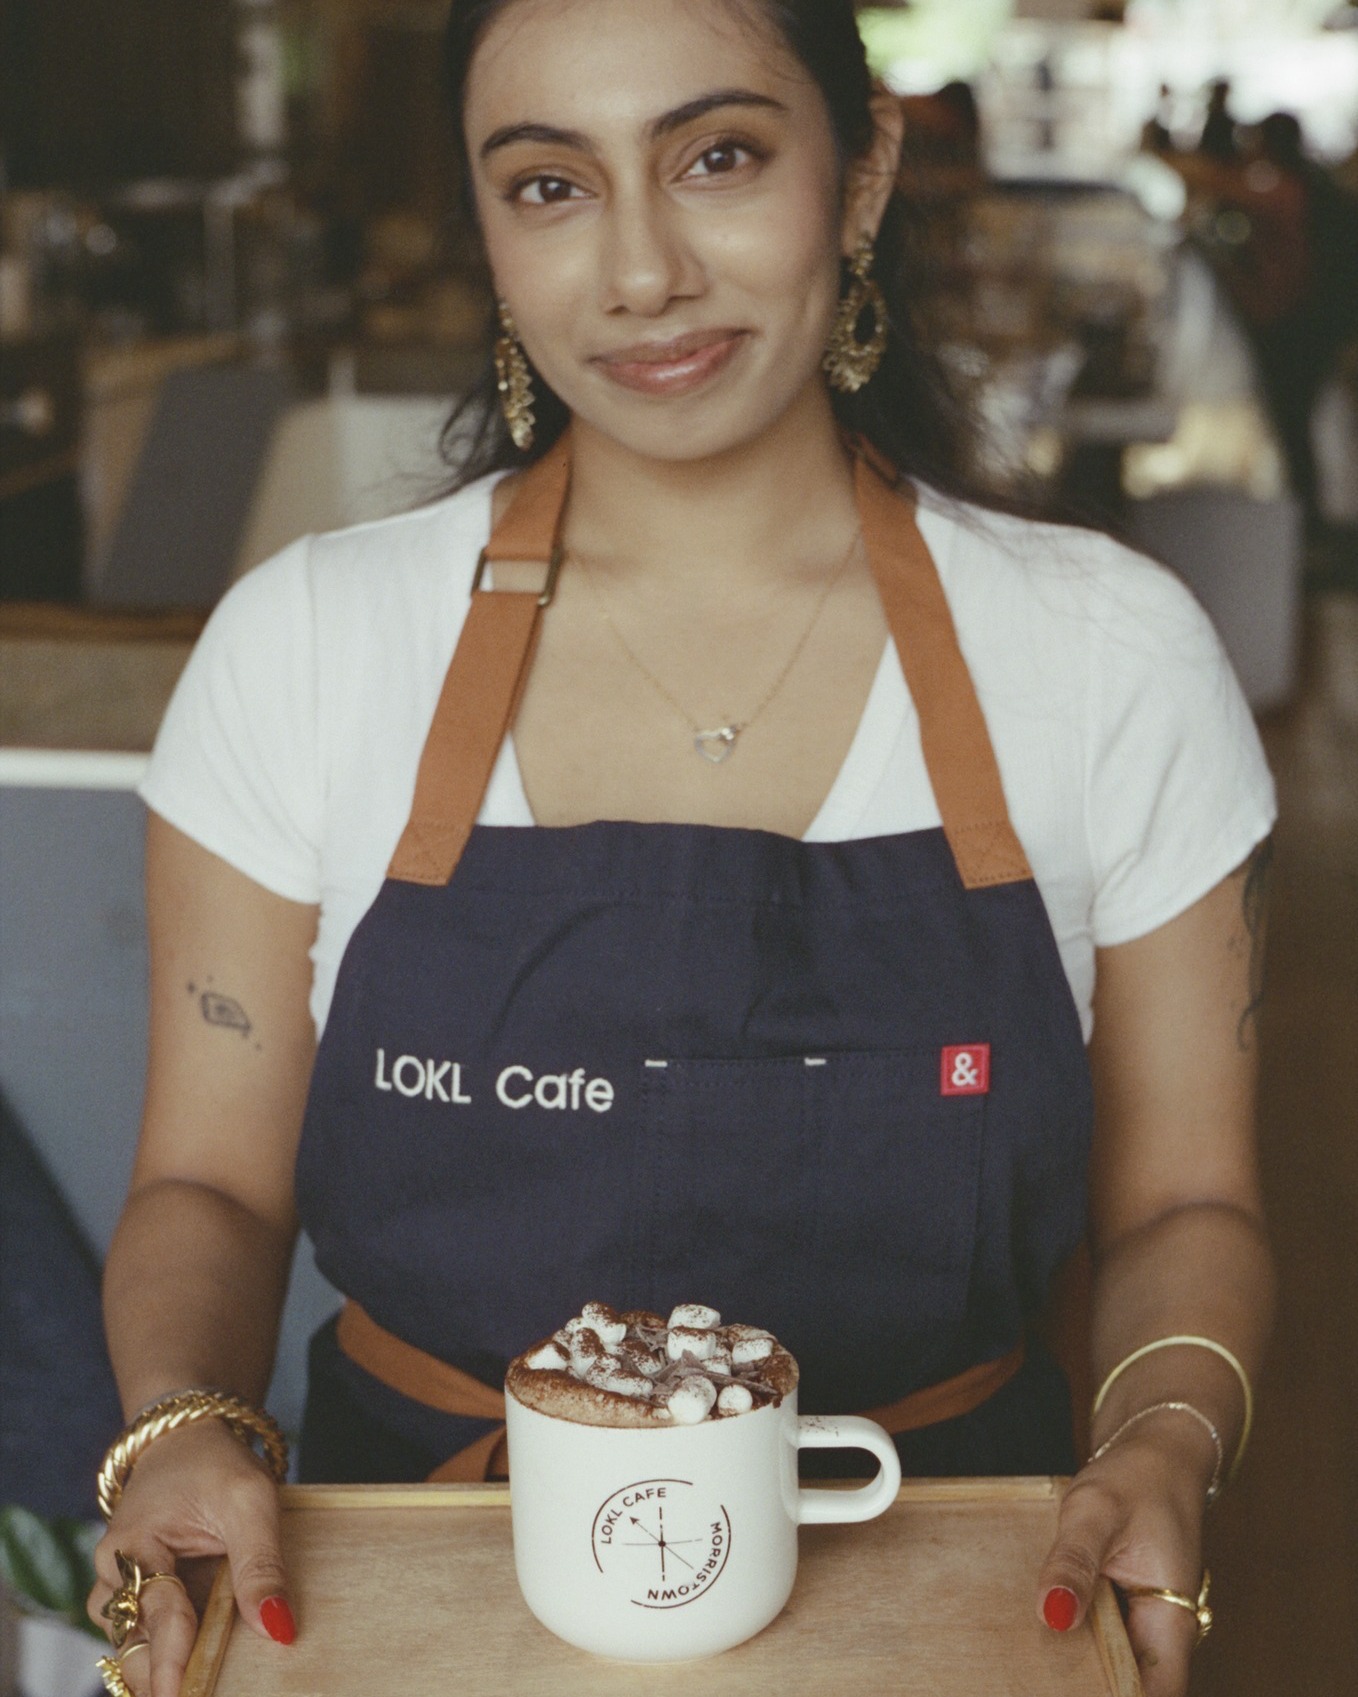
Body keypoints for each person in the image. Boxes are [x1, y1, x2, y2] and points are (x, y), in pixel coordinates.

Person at [87, 5, 1275, 1697]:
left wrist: (1160, 1444)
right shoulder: (308, 646)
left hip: (952, 1591)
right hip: (403, 1585)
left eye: (717, 158)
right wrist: (183, 1426)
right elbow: (208, 1183)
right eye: (550, 185)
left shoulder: (1105, 654)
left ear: (857, 177)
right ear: (489, 234)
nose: (640, 269)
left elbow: (1185, 1199)